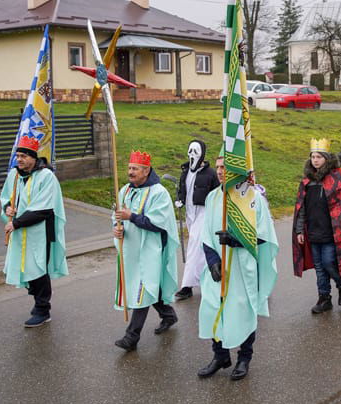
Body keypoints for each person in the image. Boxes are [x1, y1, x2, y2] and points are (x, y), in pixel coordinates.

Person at [197, 152, 278, 381]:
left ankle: (244, 358)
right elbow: (205, 235)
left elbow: (264, 235)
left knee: (242, 311)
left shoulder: (253, 198)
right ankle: (220, 355)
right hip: (219, 267)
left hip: (243, 269)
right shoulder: (213, 197)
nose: (221, 171)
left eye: (225, 167)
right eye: (218, 167)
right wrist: (212, 260)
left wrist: (235, 239)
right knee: (213, 308)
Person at [112, 151, 180, 351]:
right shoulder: (124, 190)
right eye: (129, 168)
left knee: (142, 288)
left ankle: (131, 337)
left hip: (151, 249)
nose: (130, 172)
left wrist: (131, 216)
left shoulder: (159, 193)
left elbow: (158, 224)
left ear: (146, 171)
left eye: (135, 169)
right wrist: (117, 227)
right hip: (131, 249)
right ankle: (168, 315)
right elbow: (116, 216)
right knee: (148, 286)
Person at [292, 138, 341, 314]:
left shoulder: (336, 177)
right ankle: (324, 298)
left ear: (326, 158)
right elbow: (301, 207)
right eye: (313, 157)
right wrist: (300, 229)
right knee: (319, 268)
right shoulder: (307, 181)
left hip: (332, 232)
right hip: (313, 232)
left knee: (327, 262)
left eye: (319, 157)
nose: (315, 160)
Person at [0, 136, 68, 327]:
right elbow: (6, 197)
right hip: (21, 232)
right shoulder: (14, 175)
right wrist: (7, 208)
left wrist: (16, 223)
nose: (19, 160)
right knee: (25, 267)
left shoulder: (46, 177)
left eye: (23, 156)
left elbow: (43, 209)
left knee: (39, 268)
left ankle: (42, 309)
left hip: (40, 232)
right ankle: (38, 301)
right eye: (17, 156)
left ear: (33, 157)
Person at [174, 140, 220, 301]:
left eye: (196, 150)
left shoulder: (210, 173)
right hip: (190, 212)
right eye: (190, 150)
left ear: (202, 154)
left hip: (204, 212)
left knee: (193, 244)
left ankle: (186, 286)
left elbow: (217, 193)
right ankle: (211, 278)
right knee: (199, 247)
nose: (192, 153)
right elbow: (182, 188)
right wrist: (179, 199)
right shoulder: (185, 171)